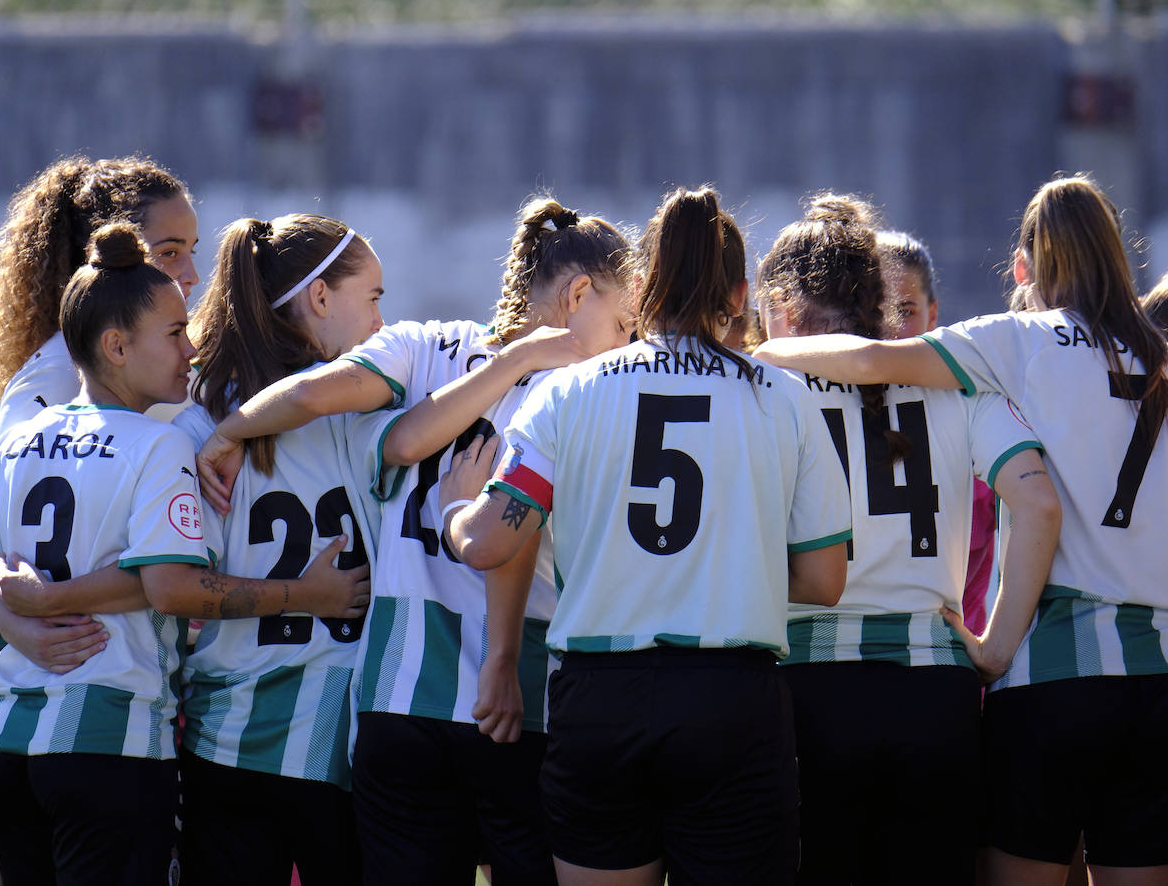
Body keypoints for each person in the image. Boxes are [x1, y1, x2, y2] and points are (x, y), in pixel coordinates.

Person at [196, 196, 637, 885]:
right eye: (622, 321)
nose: (627, 341)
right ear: (579, 293)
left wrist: (230, 430)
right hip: (513, 696)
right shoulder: (583, 391)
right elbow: (511, 534)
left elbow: (343, 409)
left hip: (393, 700)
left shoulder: (423, 343)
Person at [0, 224, 368, 885]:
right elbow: (172, 588)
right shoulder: (158, 447)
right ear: (116, 346)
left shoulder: (20, 439)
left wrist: (20, 618)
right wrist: (307, 595)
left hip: (7, 745)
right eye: (175, 334)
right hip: (109, 739)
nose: (191, 350)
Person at [755, 175, 1168, 884]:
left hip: (1044, 671)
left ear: (1023, 269)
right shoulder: (1157, 358)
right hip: (1148, 672)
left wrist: (763, 355)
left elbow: (868, 363)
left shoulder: (1016, 342)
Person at [441, 185, 851, 885]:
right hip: (732, 701)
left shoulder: (567, 392)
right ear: (742, 292)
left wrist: (456, 509)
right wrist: (722, 562)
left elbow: (489, 543)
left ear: (642, 284)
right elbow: (823, 581)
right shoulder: (786, 400)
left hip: (602, 700)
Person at [0, 155, 201, 886]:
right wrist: (24, 615)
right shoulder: (60, 378)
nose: (190, 273)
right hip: (11, 674)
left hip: (24, 690)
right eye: (169, 253)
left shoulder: (109, 378)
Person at [166, 214, 386, 884]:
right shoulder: (370, 406)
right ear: (320, 298)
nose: (382, 322)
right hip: (336, 734)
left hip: (221, 732)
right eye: (373, 297)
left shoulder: (193, 417)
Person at [877, 229, 1002, 636]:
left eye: (906, 310)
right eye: (878, 310)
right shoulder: (824, 410)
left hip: (956, 663)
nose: (892, 329)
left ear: (934, 315)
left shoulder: (976, 413)